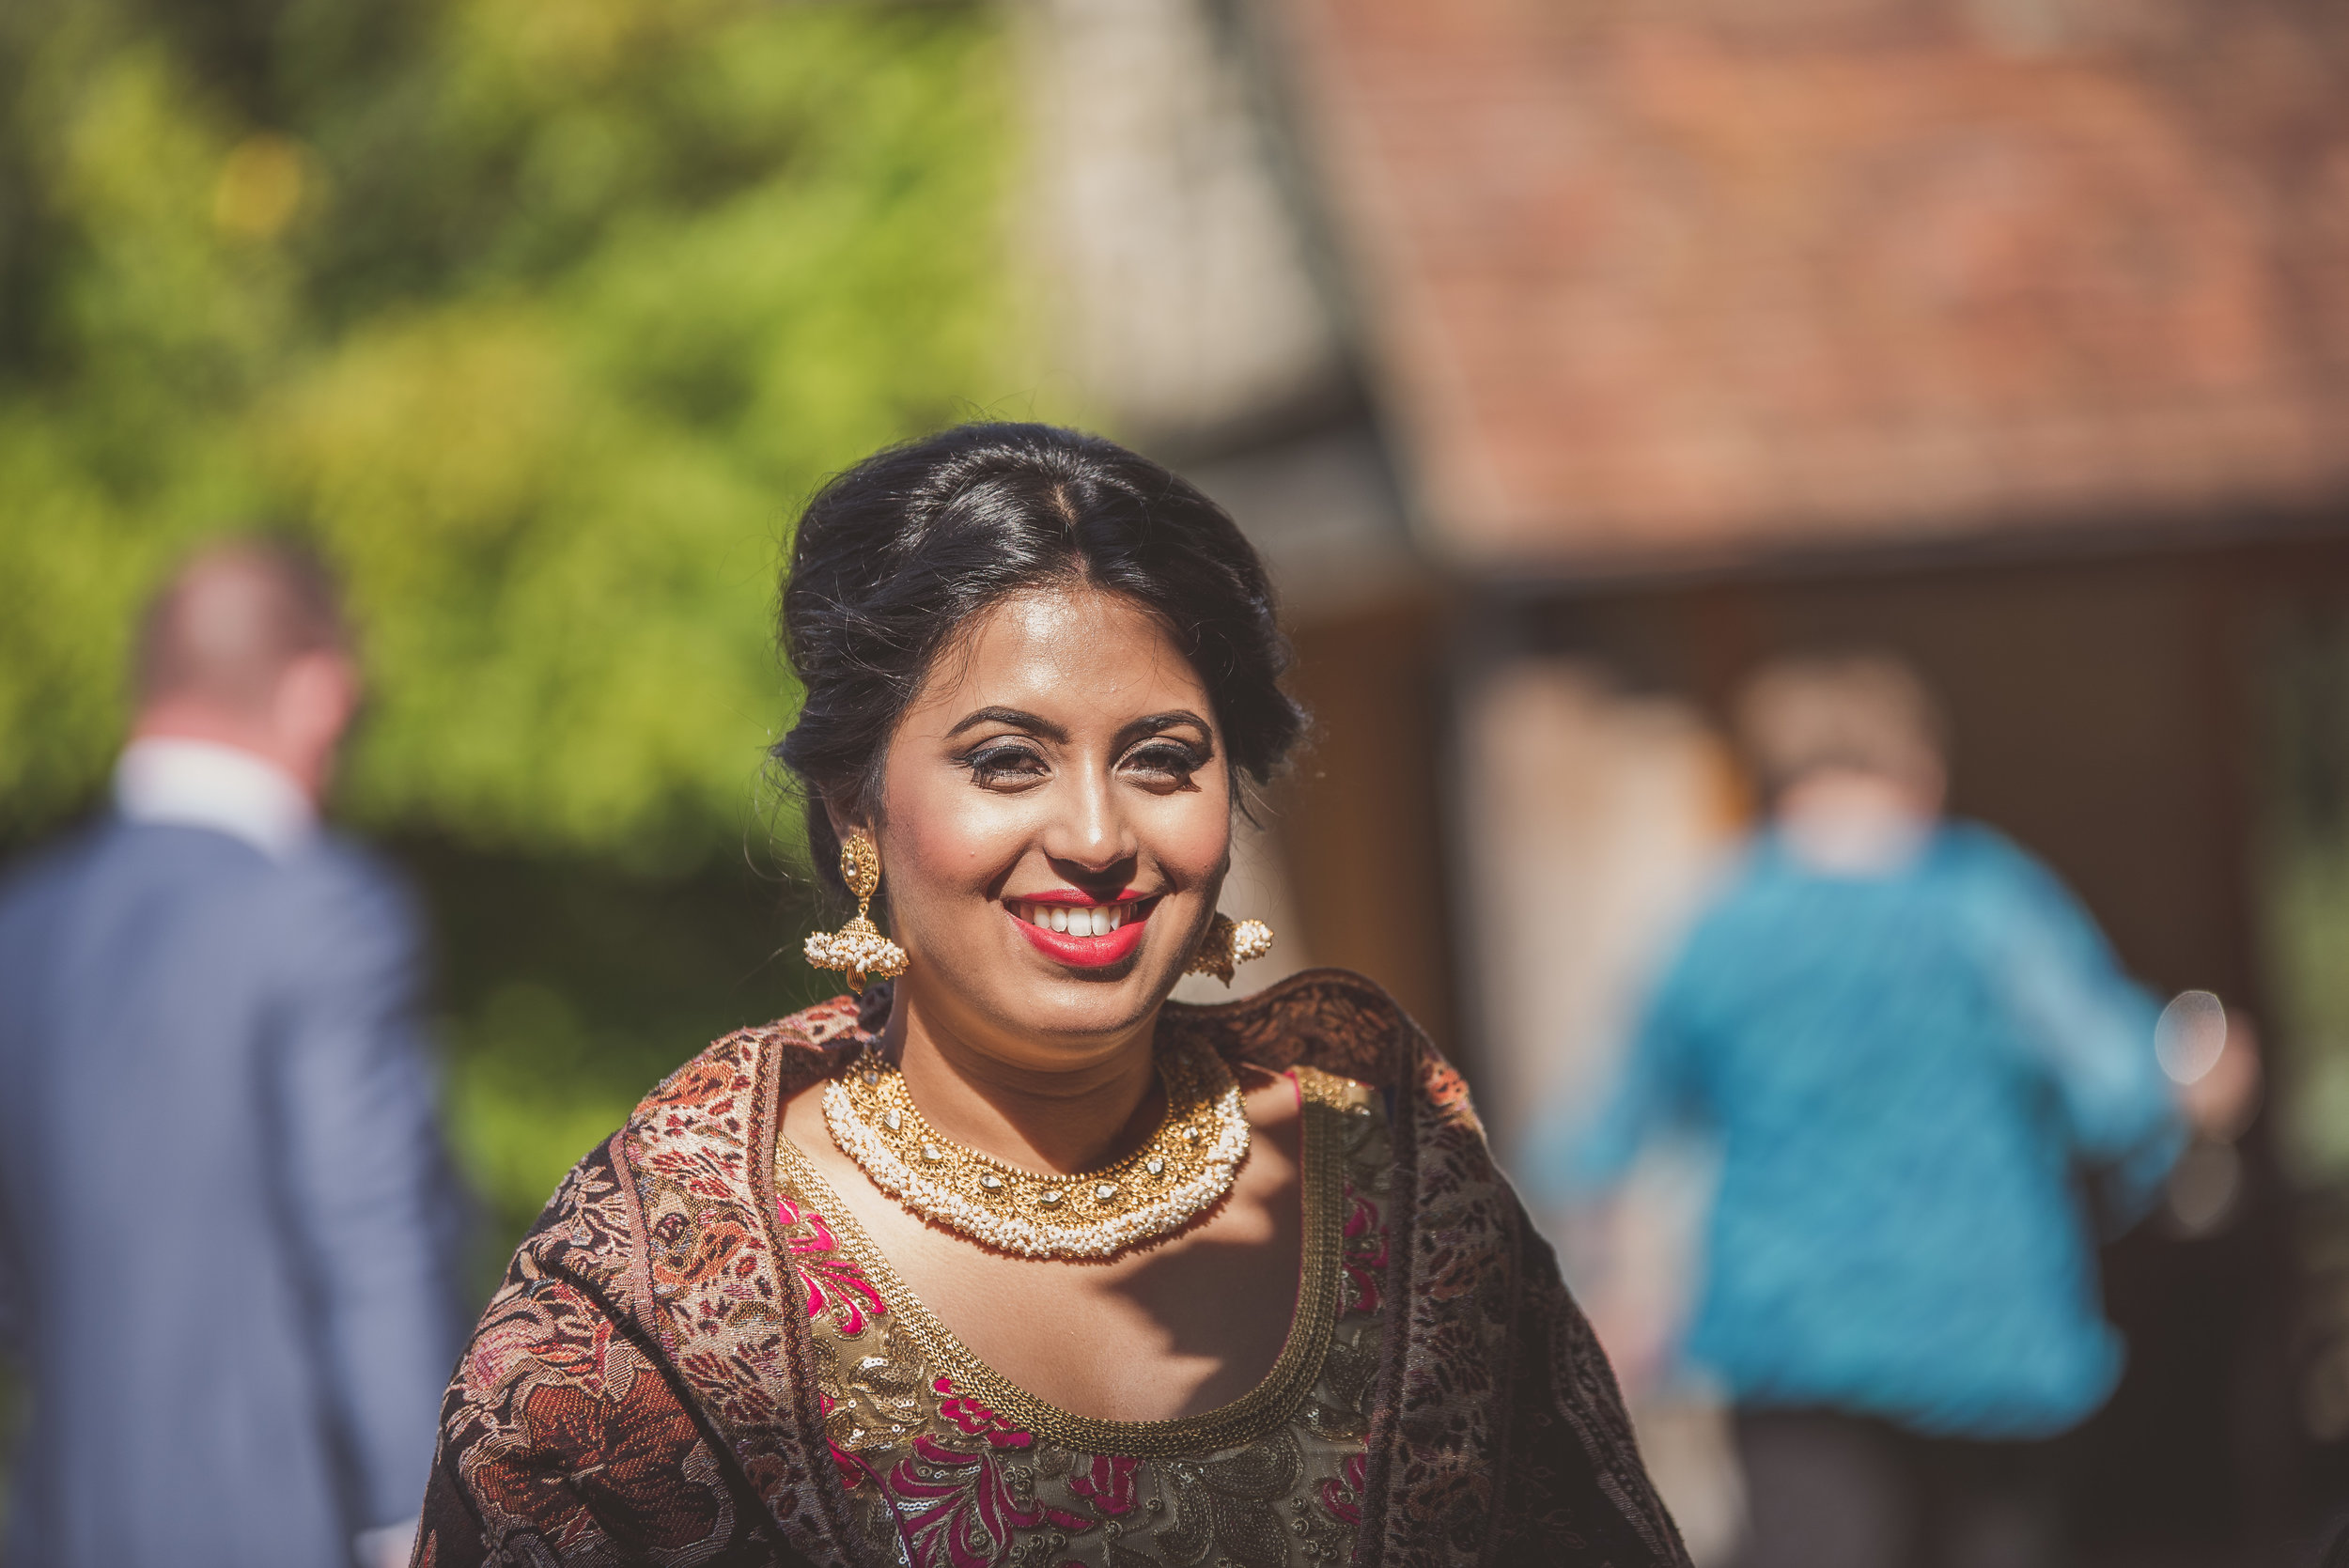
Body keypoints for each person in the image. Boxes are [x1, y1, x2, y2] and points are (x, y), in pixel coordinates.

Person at [411, 424, 1689, 1567]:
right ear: (857, 807)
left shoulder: (1400, 1188)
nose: (1095, 833)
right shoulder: (661, 1305)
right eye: (1008, 760)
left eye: (1163, 761)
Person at [1532, 653, 2258, 1568]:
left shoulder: (1714, 928)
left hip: (1789, 1345)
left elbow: (1596, 1137)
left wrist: (1607, 1295)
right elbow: (2116, 1085)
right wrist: (2204, 1075)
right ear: (1919, 770)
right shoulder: (1985, 905)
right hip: (1981, 1339)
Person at [0, 540, 466, 1568]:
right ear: (318, 693)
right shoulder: (319, 913)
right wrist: (415, 1520)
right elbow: (368, 1232)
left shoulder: (22, 928)